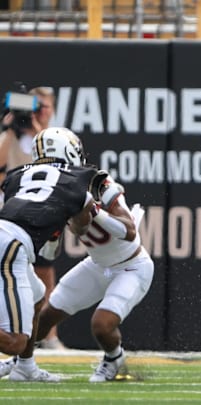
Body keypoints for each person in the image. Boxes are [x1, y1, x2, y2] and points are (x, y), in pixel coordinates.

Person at [8, 172, 153, 383]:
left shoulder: (100, 184)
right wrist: (54, 234)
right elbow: (53, 251)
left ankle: (114, 359)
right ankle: (21, 361)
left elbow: (129, 232)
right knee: (46, 317)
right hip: (97, 264)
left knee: (101, 325)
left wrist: (95, 210)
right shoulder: (59, 193)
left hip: (131, 266)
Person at [0, 127, 99, 381]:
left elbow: (21, 205)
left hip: (8, 238)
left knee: (37, 294)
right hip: (11, 246)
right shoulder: (80, 177)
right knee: (14, 342)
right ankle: (22, 357)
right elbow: (81, 226)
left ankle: (25, 367)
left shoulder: (16, 175)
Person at [0, 86, 65, 350]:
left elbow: (60, 164)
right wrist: (10, 127)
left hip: (43, 212)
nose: (36, 112)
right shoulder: (10, 137)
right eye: (33, 107)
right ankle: (20, 330)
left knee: (44, 272)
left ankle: (47, 336)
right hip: (12, 212)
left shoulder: (54, 137)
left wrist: (36, 127)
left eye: (42, 107)